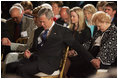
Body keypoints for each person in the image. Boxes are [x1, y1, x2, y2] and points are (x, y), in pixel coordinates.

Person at [6, 7, 99, 78]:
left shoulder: (62, 31)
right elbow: (33, 48)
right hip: (33, 58)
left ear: (51, 19)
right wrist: (28, 52)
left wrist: (92, 59)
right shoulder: (39, 31)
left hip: (47, 63)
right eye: (40, 22)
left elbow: (77, 46)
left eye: (43, 22)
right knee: (10, 66)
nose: (41, 24)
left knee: (22, 70)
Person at [67, 7, 94, 78]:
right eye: (71, 16)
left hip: (81, 56)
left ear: (80, 17)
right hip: (68, 54)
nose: (71, 18)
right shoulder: (69, 28)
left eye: (73, 16)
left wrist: (74, 52)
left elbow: (86, 46)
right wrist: (68, 52)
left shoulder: (86, 30)